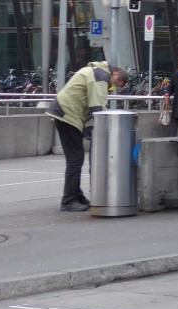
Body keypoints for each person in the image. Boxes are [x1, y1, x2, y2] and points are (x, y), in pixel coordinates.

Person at [44, 61, 128, 212]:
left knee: (76, 158)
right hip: (67, 114)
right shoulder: (101, 76)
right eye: (116, 84)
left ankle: (77, 195)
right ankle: (68, 201)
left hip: (65, 113)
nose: (113, 87)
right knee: (75, 159)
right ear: (115, 74)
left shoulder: (96, 71)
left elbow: (95, 102)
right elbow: (98, 106)